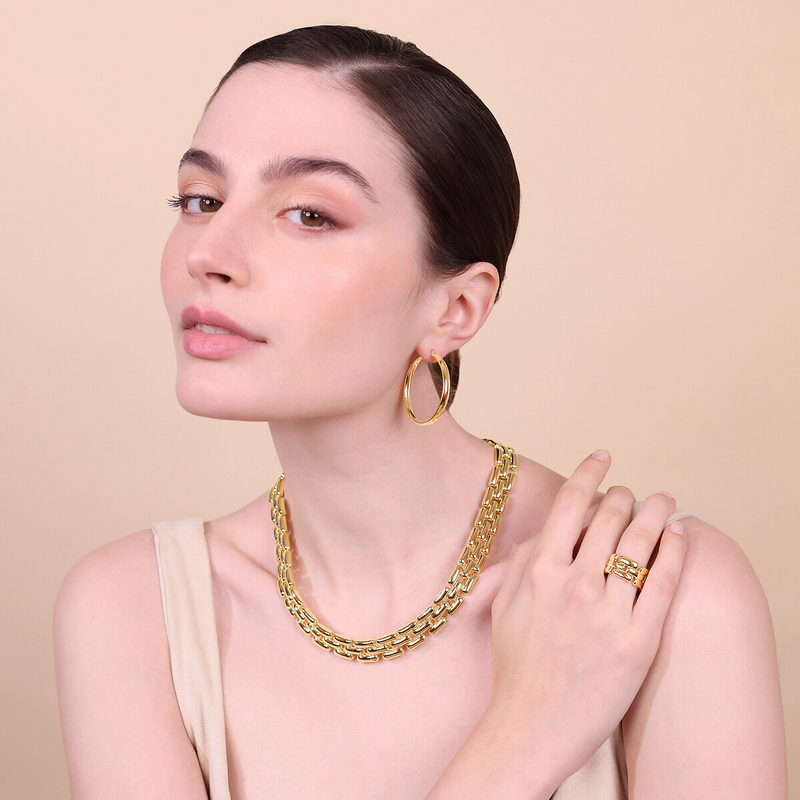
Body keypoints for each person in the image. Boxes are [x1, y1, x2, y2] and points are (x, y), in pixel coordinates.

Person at [53, 24, 787, 800]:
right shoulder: (133, 611)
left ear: (456, 309)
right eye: (202, 200)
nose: (208, 253)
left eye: (309, 215)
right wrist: (528, 730)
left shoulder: (660, 594)